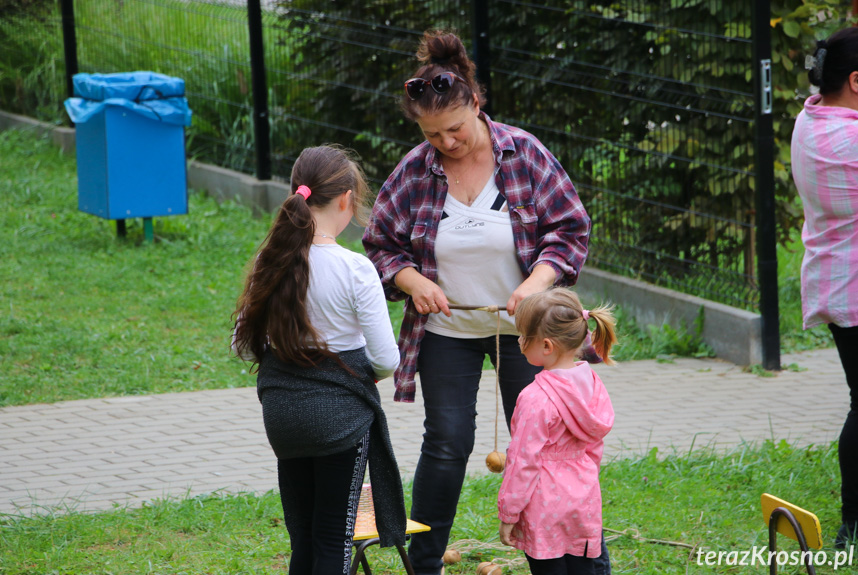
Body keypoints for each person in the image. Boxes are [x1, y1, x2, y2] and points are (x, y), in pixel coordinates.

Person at [362, 30, 591, 574]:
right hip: (448, 331)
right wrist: (412, 281)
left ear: (477, 104)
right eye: (433, 134)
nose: (447, 142)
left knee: (542, 443)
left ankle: (559, 556)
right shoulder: (417, 169)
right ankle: (425, 564)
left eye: (455, 128)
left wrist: (536, 283)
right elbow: (380, 244)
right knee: (447, 443)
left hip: (530, 332)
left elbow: (570, 230)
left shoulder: (524, 153)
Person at [232, 145, 405, 574]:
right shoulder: (355, 268)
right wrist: (366, 374)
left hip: (283, 417)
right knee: (333, 537)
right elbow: (386, 358)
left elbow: (244, 341)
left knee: (304, 535)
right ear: (346, 199)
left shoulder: (270, 261)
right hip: (339, 420)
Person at [791, 27, 858, 549]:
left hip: (836, 282)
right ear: (857, 81)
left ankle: (854, 524)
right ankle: (854, 525)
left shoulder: (810, 118)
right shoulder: (852, 141)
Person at [498, 288, 615, 575]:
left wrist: (509, 512)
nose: (520, 343)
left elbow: (523, 460)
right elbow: (594, 444)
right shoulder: (592, 383)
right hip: (584, 499)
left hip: (544, 507)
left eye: (524, 337)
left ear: (547, 346)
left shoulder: (534, 397)